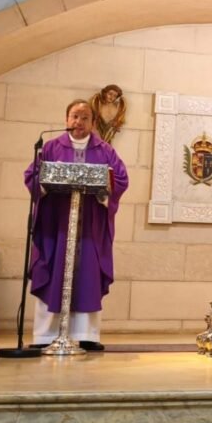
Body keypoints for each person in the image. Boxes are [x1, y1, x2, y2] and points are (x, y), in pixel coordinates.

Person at [24, 100, 129, 351]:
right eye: (74, 116)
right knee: (52, 272)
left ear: (93, 123)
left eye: (84, 118)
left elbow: (121, 179)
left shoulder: (105, 151)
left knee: (88, 276)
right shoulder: (50, 147)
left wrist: (104, 191)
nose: (78, 122)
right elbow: (32, 175)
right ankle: (45, 335)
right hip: (55, 226)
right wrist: (45, 181)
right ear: (66, 119)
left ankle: (86, 334)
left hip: (89, 227)